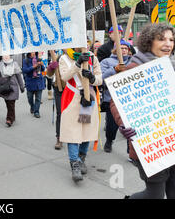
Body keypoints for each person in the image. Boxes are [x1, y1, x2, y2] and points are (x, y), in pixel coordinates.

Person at [111, 23, 175, 199]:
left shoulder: (174, 66)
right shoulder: (133, 67)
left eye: (171, 39)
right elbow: (115, 103)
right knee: (154, 194)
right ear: (149, 42)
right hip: (150, 143)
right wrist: (123, 122)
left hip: (174, 139)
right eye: (161, 39)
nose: (168, 44)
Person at [58, 48, 103, 182]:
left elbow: (100, 78)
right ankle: (75, 164)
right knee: (73, 133)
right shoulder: (64, 58)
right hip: (72, 98)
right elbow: (64, 77)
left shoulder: (93, 58)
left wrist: (93, 78)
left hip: (88, 98)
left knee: (85, 130)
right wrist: (77, 64)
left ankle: (81, 158)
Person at [100, 40, 132, 153]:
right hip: (112, 99)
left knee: (131, 126)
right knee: (111, 125)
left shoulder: (133, 62)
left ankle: (131, 151)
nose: (123, 50)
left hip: (130, 99)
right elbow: (101, 79)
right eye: (121, 48)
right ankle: (109, 140)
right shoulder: (106, 62)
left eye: (125, 48)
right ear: (115, 49)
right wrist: (114, 70)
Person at [0, 55, 25, 127]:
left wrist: (22, 86)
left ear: (10, 56)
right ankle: (13, 116)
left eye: (7, 55)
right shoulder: (0, 65)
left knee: (11, 103)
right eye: (4, 56)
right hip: (4, 87)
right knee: (8, 103)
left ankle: (9, 119)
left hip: (13, 87)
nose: (5, 57)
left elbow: (19, 76)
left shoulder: (15, 64)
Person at [46, 51, 66, 150]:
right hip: (59, 89)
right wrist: (51, 67)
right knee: (60, 114)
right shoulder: (59, 58)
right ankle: (59, 138)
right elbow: (49, 75)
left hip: (75, 90)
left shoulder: (77, 57)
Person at [22, 52, 46, 118]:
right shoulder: (25, 60)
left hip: (39, 81)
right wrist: (33, 66)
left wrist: (42, 65)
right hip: (30, 82)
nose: (34, 53)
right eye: (32, 52)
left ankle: (36, 111)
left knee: (38, 98)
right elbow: (24, 70)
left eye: (34, 52)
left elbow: (43, 70)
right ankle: (32, 107)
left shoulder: (39, 59)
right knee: (30, 98)